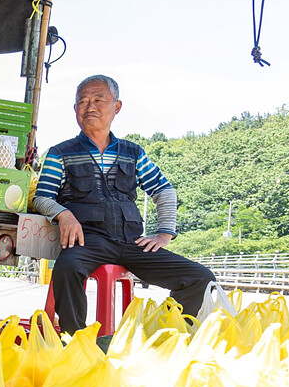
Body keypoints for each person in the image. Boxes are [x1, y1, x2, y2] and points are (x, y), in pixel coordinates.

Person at [31, 74, 215, 335]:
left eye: (98, 99)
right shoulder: (61, 153)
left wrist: (164, 233)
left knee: (200, 277)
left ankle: (161, 334)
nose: (89, 107)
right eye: (82, 101)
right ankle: (77, 340)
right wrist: (64, 214)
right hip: (88, 241)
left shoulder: (133, 152)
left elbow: (164, 190)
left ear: (116, 107)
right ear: (75, 110)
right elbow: (42, 197)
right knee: (67, 268)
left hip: (131, 243)